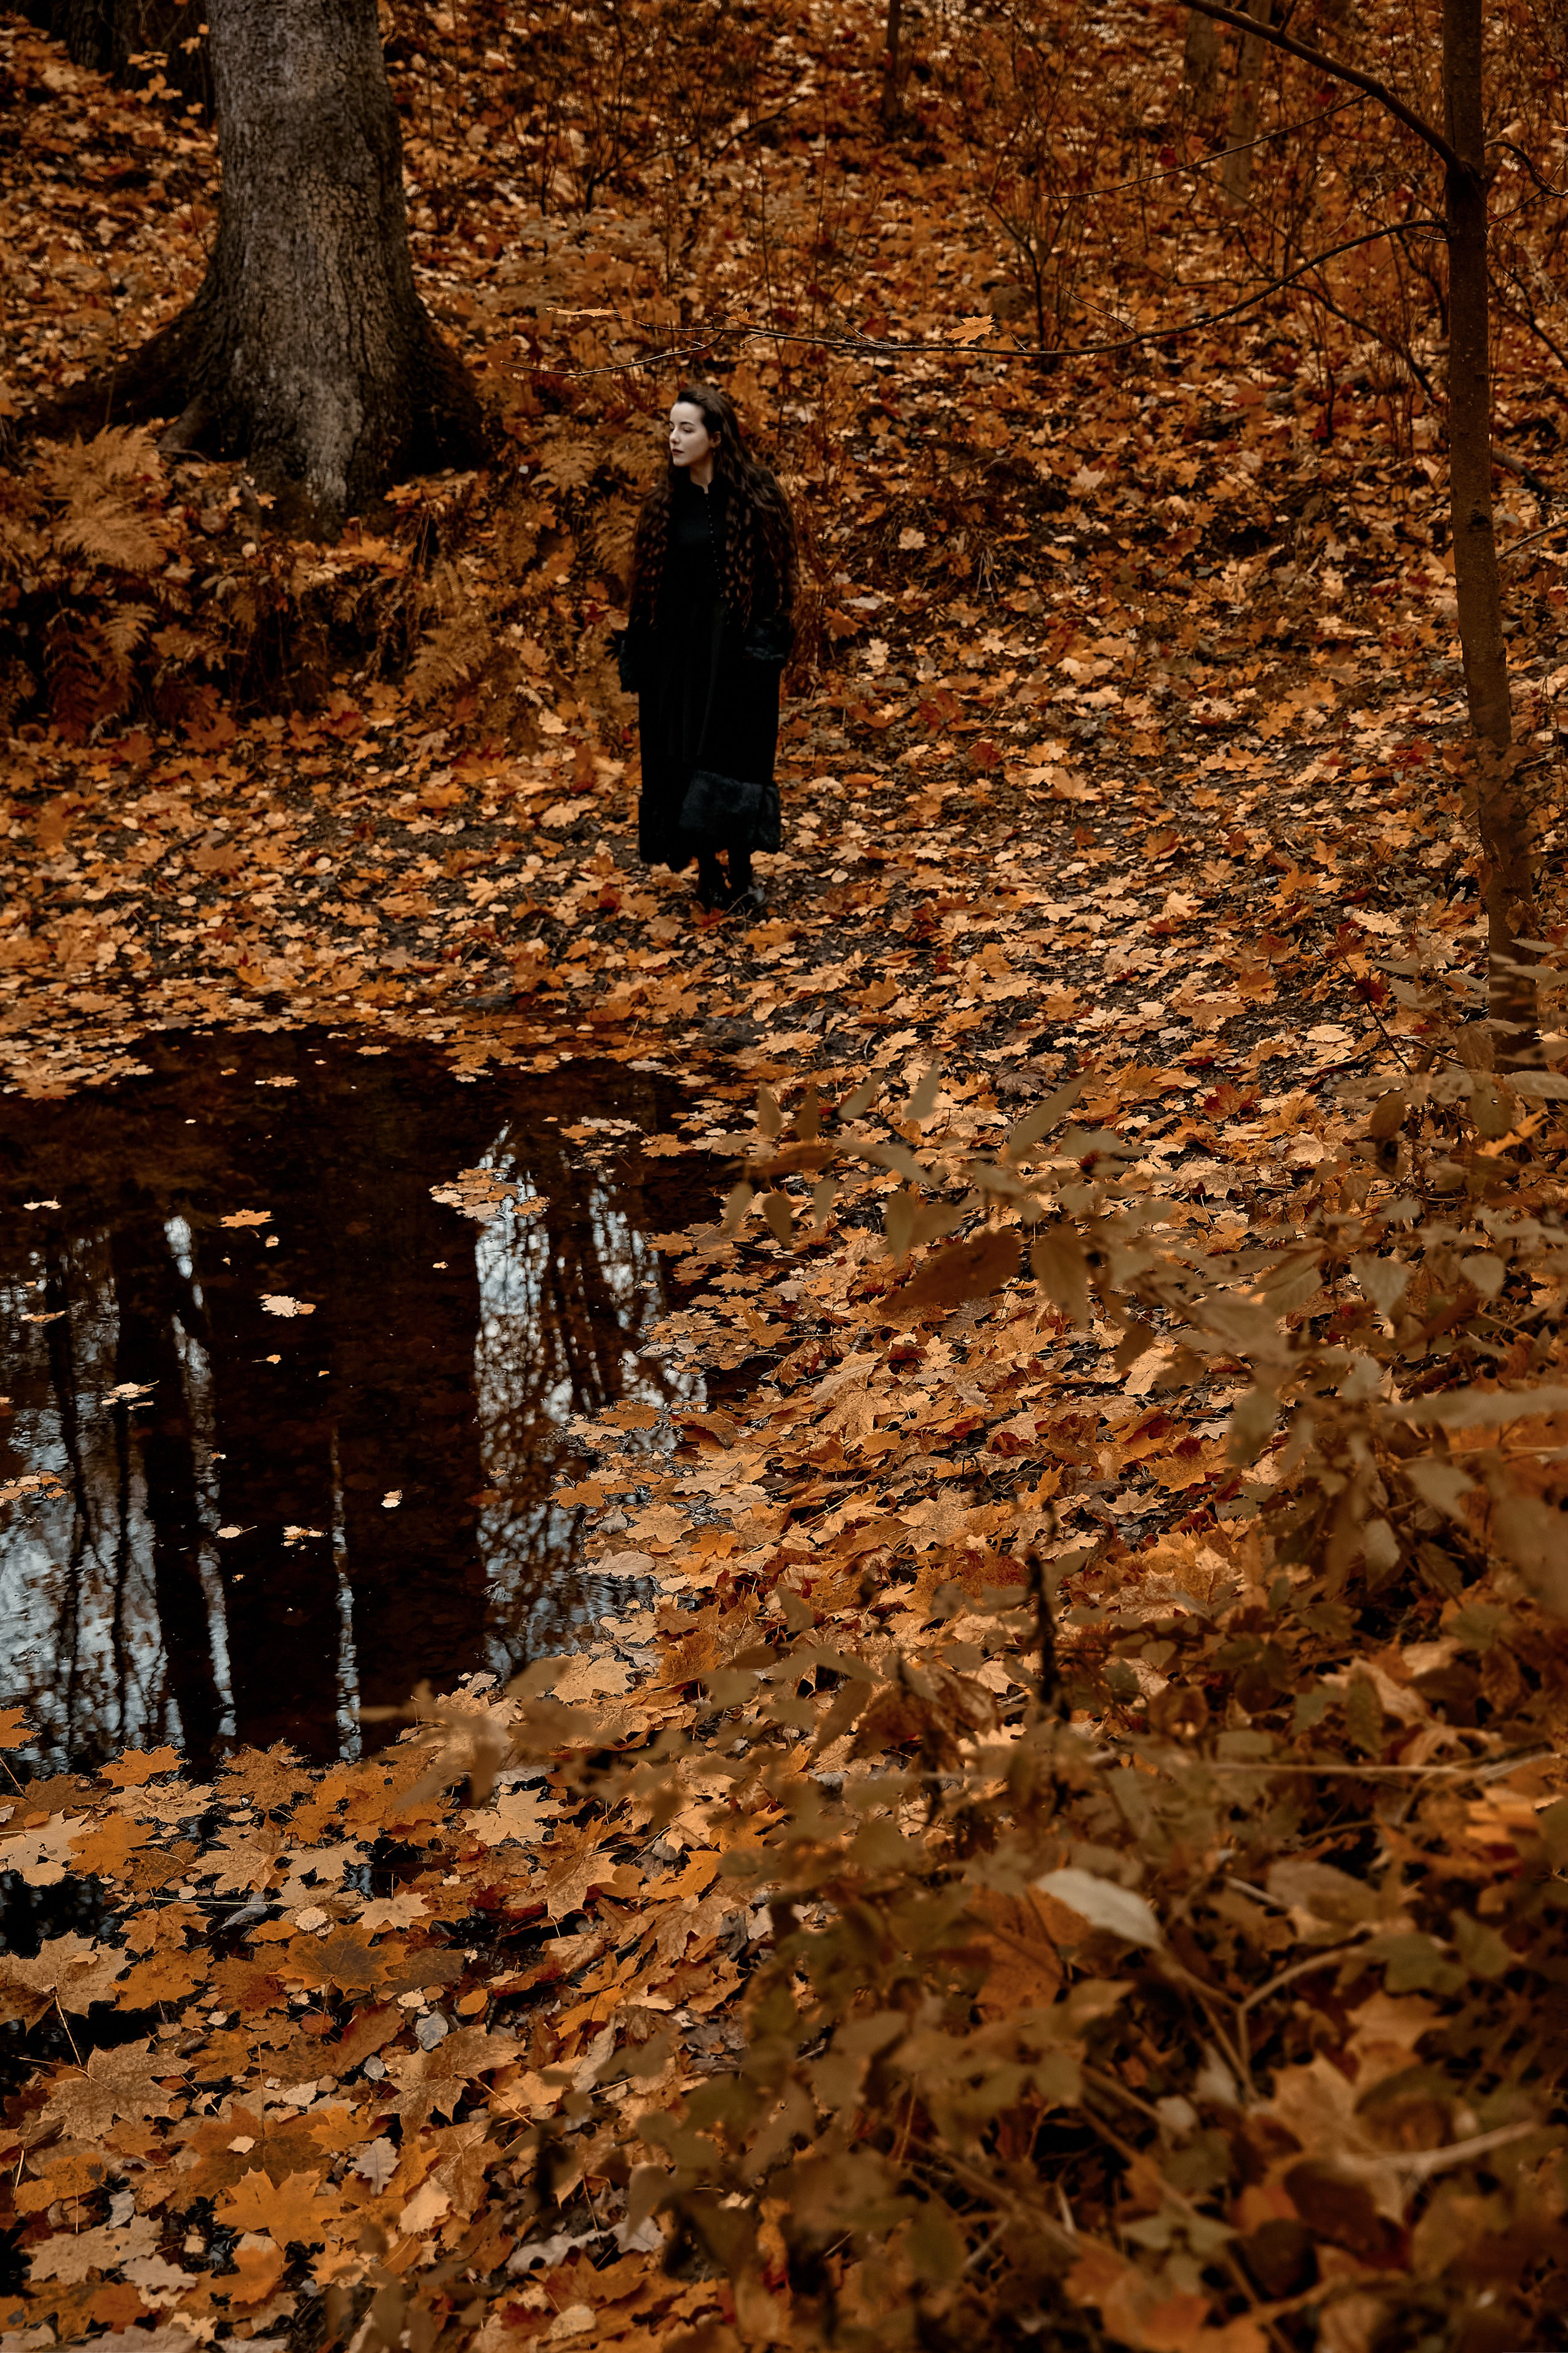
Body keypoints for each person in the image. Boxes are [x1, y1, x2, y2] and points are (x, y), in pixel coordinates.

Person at [615, 383, 797, 915]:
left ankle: (742, 870)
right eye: (670, 428)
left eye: (686, 429)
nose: (673, 438)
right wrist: (642, 654)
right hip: (679, 657)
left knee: (740, 753)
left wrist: (766, 642)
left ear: (716, 438)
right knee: (682, 755)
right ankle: (709, 874)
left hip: (739, 655)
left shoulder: (758, 494)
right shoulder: (664, 503)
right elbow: (647, 587)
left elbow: (778, 578)